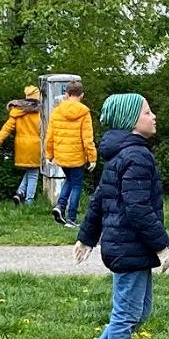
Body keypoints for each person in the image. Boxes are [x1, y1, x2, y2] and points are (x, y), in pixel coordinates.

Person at [70, 94, 169, 339]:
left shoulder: (121, 154)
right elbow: (138, 207)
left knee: (139, 313)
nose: (154, 117)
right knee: (126, 316)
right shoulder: (136, 156)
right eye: (148, 112)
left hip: (125, 245)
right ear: (130, 120)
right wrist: (161, 244)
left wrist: (86, 237)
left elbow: (100, 198)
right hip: (131, 246)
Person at [45, 80, 97, 228]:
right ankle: (71, 218)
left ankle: (60, 206)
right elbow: (87, 138)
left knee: (69, 180)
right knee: (76, 185)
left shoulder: (56, 111)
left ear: (66, 94)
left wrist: (49, 155)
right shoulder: (84, 112)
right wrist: (92, 158)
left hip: (61, 156)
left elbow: (50, 135)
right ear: (82, 95)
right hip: (77, 157)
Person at [0, 85, 41, 205]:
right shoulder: (40, 112)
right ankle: (29, 201)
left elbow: (6, 129)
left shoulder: (17, 112)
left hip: (21, 147)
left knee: (30, 171)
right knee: (34, 173)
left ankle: (19, 193)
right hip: (35, 146)